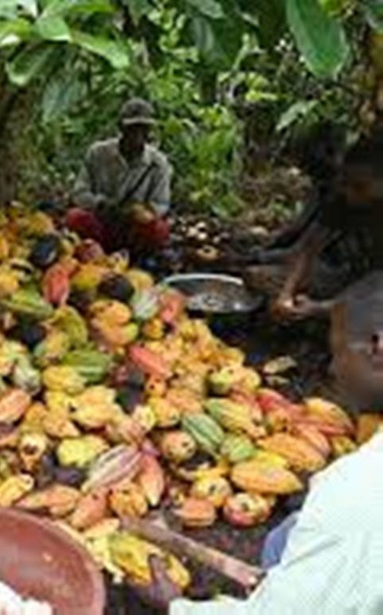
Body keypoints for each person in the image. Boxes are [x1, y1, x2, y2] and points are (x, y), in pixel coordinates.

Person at [132, 272, 383, 614]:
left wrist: (175, 606)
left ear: (378, 347)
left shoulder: (359, 489)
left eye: (337, 351)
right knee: (286, 536)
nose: (335, 370)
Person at [252, 129, 383, 320]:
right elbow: (309, 247)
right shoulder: (344, 199)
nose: (351, 195)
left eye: (360, 187)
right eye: (347, 183)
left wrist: (321, 308)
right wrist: (286, 294)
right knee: (259, 277)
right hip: (348, 280)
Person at [67, 97, 173, 255]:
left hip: (133, 229)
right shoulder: (98, 153)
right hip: (101, 224)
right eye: (132, 128)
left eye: (143, 128)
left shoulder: (158, 163)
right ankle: (97, 254)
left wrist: (141, 212)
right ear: (121, 128)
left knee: (159, 230)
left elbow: (161, 203)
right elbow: (79, 193)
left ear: (149, 131)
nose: (137, 134)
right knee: (75, 217)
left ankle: (136, 257)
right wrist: (102, 204)